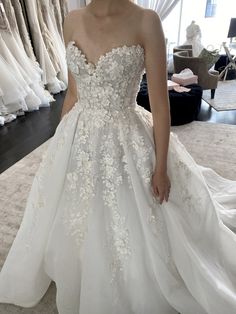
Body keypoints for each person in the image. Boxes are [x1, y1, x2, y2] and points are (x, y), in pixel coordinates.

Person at [0, 1, 236, 313]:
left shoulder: (146, 20)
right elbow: (73, 91)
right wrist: (59, 145)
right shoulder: (71, 20)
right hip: (78, 130)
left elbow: (160, 103)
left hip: (126, 132)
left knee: (142, 212)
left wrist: (161, 167)